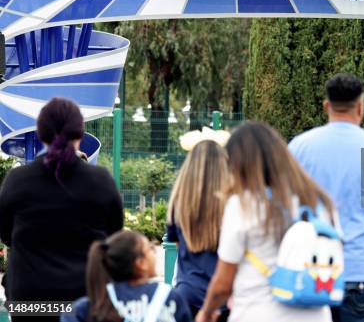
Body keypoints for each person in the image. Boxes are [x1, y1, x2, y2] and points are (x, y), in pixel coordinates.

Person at [288, 73, 364, 322]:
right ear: (361, 107)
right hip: (359, 272)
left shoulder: (299, 148)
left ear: (326, 106)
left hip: (308, 268)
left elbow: (282, 209)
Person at [197, 122, 338, 322]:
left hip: (257, 313)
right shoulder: (321, 202)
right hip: (315, 315)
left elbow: (223, 283)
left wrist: (207, 311)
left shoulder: (243, 205)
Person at [0, 97, 123, 322]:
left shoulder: (17, 181)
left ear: (40, 132)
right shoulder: (101, 181)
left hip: (30, 305)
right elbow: (114, 240)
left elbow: (7, 235)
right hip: (85, 303)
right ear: (80, 133)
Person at [61, 230, 192, 322]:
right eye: (150, 248)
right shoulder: (170, 298)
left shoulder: (88, 307)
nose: (154, 252)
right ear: (140, 263)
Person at [166, 139, 230, 317]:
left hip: (187, 294)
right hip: (225, 297)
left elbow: (178, 246)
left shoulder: (177, 204)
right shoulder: (233, 205)